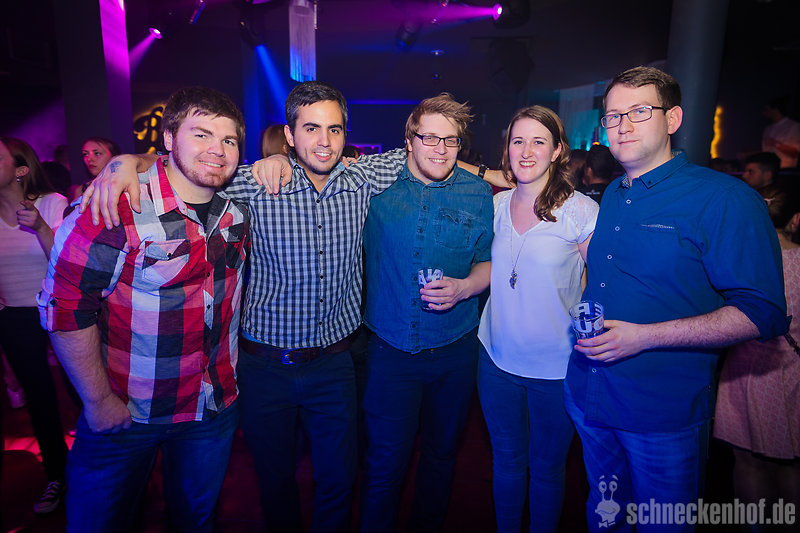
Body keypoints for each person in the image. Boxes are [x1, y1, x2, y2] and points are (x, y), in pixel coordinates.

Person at [82, 80, 409, 533]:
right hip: (263, 367)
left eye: (334, 129)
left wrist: (497, 174)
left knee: (339, 480)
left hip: (334, 364)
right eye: (311, 128)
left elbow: (426, 150)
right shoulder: (253, 183)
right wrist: (124, 163)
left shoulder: (361, 179)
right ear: (289, 135)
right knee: (274, 481)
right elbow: (187, 167)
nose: (324, 140)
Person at [563, 66, 789, 532]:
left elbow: (762, 311)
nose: (623, 125)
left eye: (639, 111)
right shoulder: (614, 195)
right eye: (613, 116)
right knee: (606, 517)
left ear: (673, 118)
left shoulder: (723, 198)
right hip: (591, 396)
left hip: (660, 412)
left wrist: (645, 337)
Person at [38, 86, 249, 532]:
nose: (217, 149)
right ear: (169, 138)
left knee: (196, 521)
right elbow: (64, 307)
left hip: (211, 408)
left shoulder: (236, 213)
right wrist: (98, 401)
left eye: (228, 140)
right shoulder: (112, 207)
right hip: (127, 412)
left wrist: (127, 159)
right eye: (201, 134)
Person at [358, 94, 493, 533]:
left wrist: (466, 286)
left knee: (441, 454)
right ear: (409, 140)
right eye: (429, 138)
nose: (440, 149)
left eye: (450, 140)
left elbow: (489, 260)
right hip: (389, 351)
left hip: (454, 349)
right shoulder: (373, 188)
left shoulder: (478, 193)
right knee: (384, 461)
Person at [477, 106, 598, 533]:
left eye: (538, 141)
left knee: (546, 469)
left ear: (558, 150)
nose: (526, 151)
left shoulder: (580, 211)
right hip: (496, 360)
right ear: (507, 149)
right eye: (518, 141)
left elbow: (603, 284)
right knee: (506, 462)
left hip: (556, 368)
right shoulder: (495, 205)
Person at [714, 199, 800, 531]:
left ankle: (755, 527)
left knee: (748, 461)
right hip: (793, 373)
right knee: (792, 463)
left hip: (746, 371)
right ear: (795, 219)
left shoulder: (742, 263)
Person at [0, 136, 69, 515]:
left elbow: (69, 261)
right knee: (40, 401)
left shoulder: (52, 203)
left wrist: (41, 227)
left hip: (59, 310)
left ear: (21, 170)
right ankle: (57, 475)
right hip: (15, 317)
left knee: (82, 394)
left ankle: (103, 469)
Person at [68, 137, 120, 201]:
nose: (89, 159)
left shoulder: (124, 183)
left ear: (113, 156)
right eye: (85, 154)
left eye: (97, 153)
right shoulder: (81, 190)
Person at [763, 97, 800, 169]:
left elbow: (796, 152)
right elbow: (766, 151)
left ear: (776, 110)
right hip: (768, 169)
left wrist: (775, 143)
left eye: (766, 109)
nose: (764, 113)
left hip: (785, 169)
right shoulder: (768, 129)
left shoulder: (794, 126)